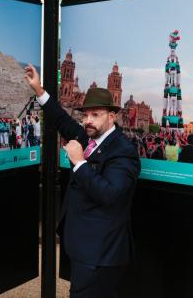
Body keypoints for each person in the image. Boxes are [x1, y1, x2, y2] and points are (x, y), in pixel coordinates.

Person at [24, 64, 141, 298]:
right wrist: (38, 89)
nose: (87, 120)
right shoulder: (86, 135)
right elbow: (60, 118)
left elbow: (110, 195)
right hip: (83, 247)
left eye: (95, 115)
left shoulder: (123, 150)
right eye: (85, 114)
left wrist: (79, 163)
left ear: (112, 116)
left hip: (100, 254)